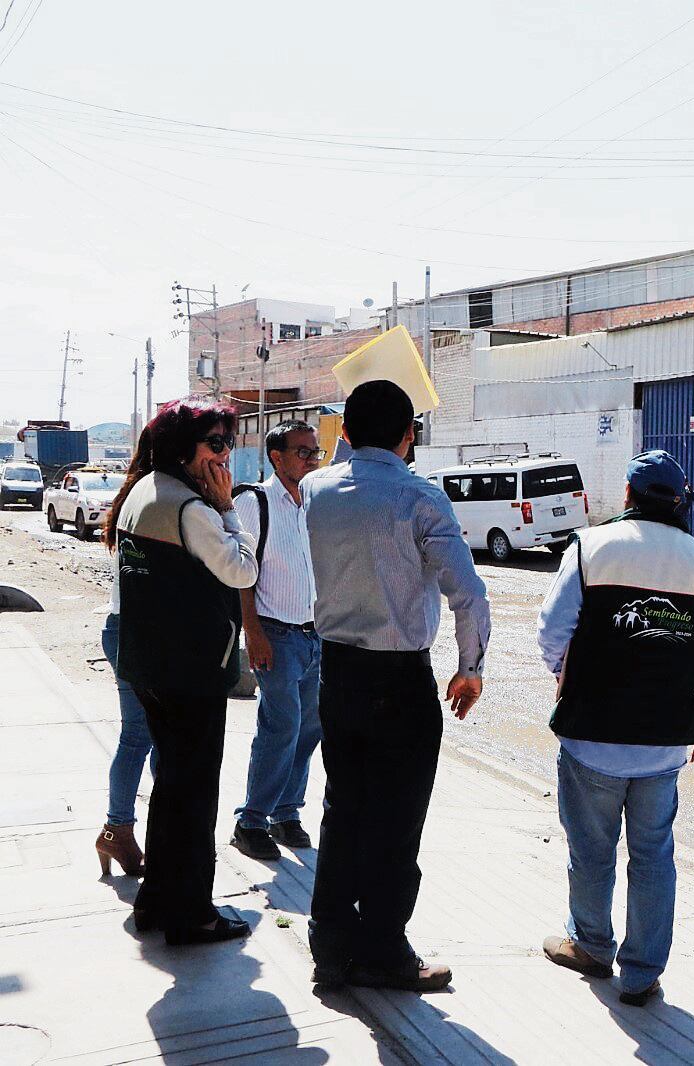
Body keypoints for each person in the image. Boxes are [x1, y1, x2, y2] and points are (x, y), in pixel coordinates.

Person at [301, 379, 490, 993]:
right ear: (410, 436)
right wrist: (471, 666)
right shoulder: (421, 499)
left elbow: (339, 470)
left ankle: (330, 949)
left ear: (346, 434)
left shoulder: (314, 490)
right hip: (400, 678)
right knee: (396, 820)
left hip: (337, 671)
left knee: (343, 810)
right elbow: (468, 593)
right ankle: (383, 949)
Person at [536, 449, 694, 1006]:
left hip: (590, 736)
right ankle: (642, 974)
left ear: (627, 496)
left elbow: (552, 632)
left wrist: (567, 677)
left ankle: (592, 947)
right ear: (679, 504)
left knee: (591, 851)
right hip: (664, 746)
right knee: (653, 858)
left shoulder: (590, 549)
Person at [106, 397, 258, 945]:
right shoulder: (193, 509)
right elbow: (241, 571)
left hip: (149, 665)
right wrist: (229, 510)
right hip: (191, 671)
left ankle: (156, 900)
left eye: (228, 443)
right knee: (193, 796)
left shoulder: (141, 493)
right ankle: (192, 913)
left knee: (171, 788)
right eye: (215, 444)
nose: (225, 455)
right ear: (183, 448)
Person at [230, 421, 325, 861]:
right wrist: (254, 632)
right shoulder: (256, 502)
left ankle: (286, 813)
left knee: (308, 728)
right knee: (280, 726)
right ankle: (250, 821)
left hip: (315, 635)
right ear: (277, 457)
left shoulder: (312, 502)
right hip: (276, 634)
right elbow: (240, 575)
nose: (311, 459)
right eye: (303, 452)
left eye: (315, 452)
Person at [94, 426, 157, 878]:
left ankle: (136, 830)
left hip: (130, 630)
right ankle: (117, 830)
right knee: (138, 737)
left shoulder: (135, 493)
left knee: (151, 738)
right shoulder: (153, 499)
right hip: (136, 632)